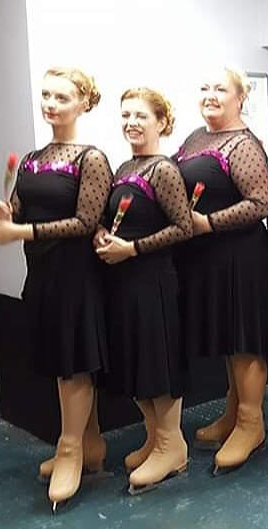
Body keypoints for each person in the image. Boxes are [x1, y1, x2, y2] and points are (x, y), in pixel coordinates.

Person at [0, 66, 111, 511]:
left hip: (76, 275)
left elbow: (85, 222)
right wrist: (6, 218)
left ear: (83, 103)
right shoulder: (33, 159)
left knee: (73, 363)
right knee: (61, 358)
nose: (51, 104)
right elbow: (20, 211)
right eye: (46, 95)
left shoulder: (91, 159)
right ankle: (90, 444)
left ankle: (70, 449)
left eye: (61, 97)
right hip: (40, 273)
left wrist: (19, 232)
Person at [174, 67, 268, 474]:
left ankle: (252, 424)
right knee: (229, 339)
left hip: (240, 256)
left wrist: (209, 223)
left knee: (244, 341)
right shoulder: (196, 137)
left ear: (240, 98)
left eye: (220, 89)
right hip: (206, 257)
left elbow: (261, 203)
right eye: (205, 87)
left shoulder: (244, 144)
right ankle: (234, 412)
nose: (211, 95)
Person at [94, 87, 193, 493]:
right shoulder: (123, 168)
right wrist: (102, 233)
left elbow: (183, 228)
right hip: (123, 284)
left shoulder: (163, 170)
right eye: (126, 116)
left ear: (161, 122)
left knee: (157, 364)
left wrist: (132, 249)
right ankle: (154, 437)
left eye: (141, 116)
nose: (131, 123)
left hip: (153, 281)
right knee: (136, 363)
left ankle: (172, 446)